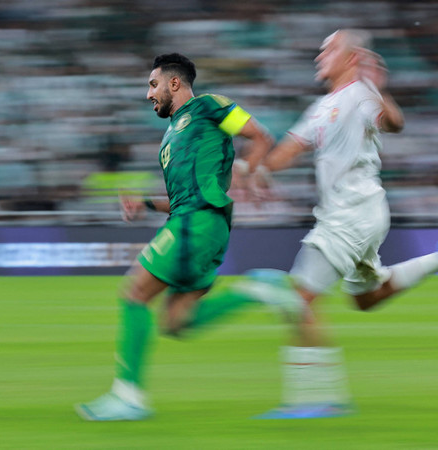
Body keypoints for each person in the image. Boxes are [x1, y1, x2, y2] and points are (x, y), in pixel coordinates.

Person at [234, 29, 438, 418]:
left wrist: (376, 88)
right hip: (355, 214)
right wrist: (252, 171)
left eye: (330, 49)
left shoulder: (360, 95)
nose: (320, 55)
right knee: (367, 297)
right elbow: (286, 152)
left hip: (351, 213)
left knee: (299, 296)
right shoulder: (320, 108)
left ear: (351, 59)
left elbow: (394, 122)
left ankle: (317, 399)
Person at [74, 53, 282, 421]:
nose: (148, 94)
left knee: (134, 293)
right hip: (196, 221)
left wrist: (251, 171)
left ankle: (128, 396)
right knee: (177, 323)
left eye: (153, 85)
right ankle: (257, 289)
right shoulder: (173, 135)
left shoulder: (208, 106)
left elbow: (258, 134)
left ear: (174, 83)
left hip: (198, 222)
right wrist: (145, 204)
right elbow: (180, 197)